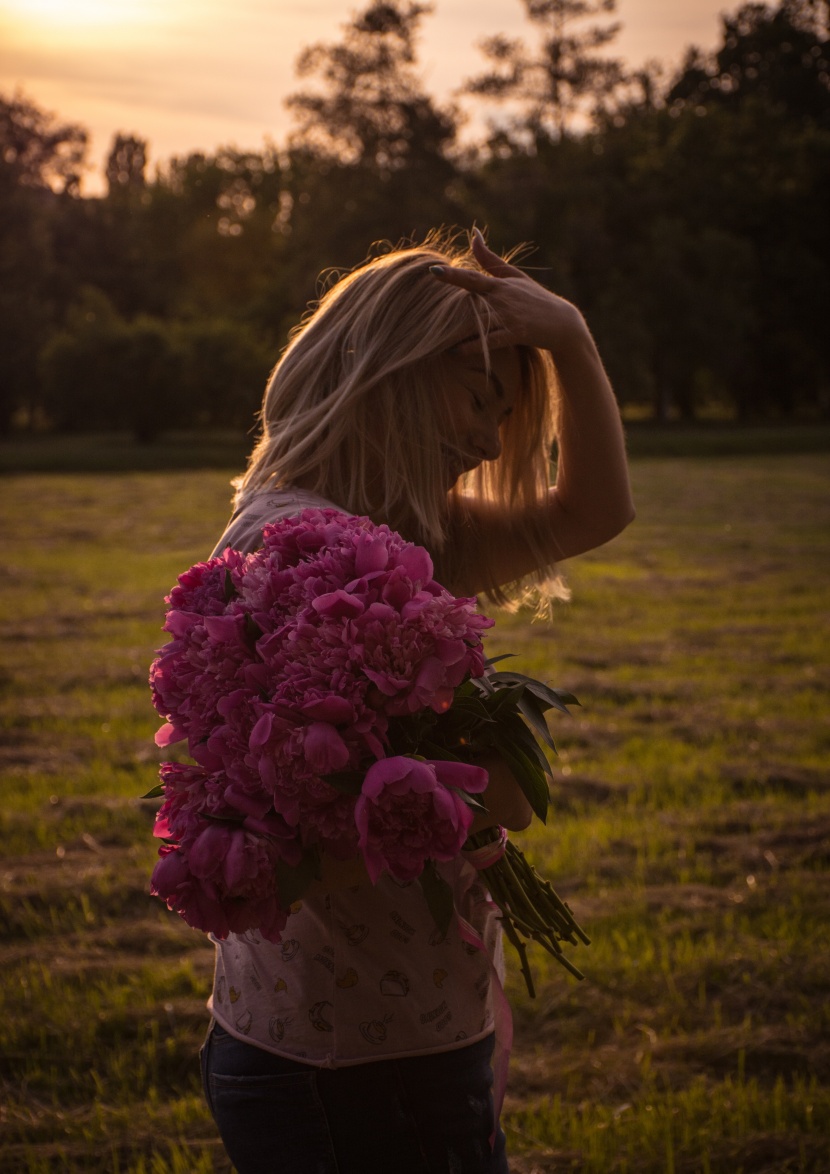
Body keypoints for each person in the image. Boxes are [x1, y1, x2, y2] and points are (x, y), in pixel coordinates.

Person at [198, 228, 634, 1173]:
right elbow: (305, 841)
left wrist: (571, 338)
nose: (488, 438)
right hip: (348, 1059)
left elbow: (594, 512)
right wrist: (481, 801)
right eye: (480, 398)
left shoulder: (409, 531)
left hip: (397, 1028)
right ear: (389, 370)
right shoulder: (303, 548)